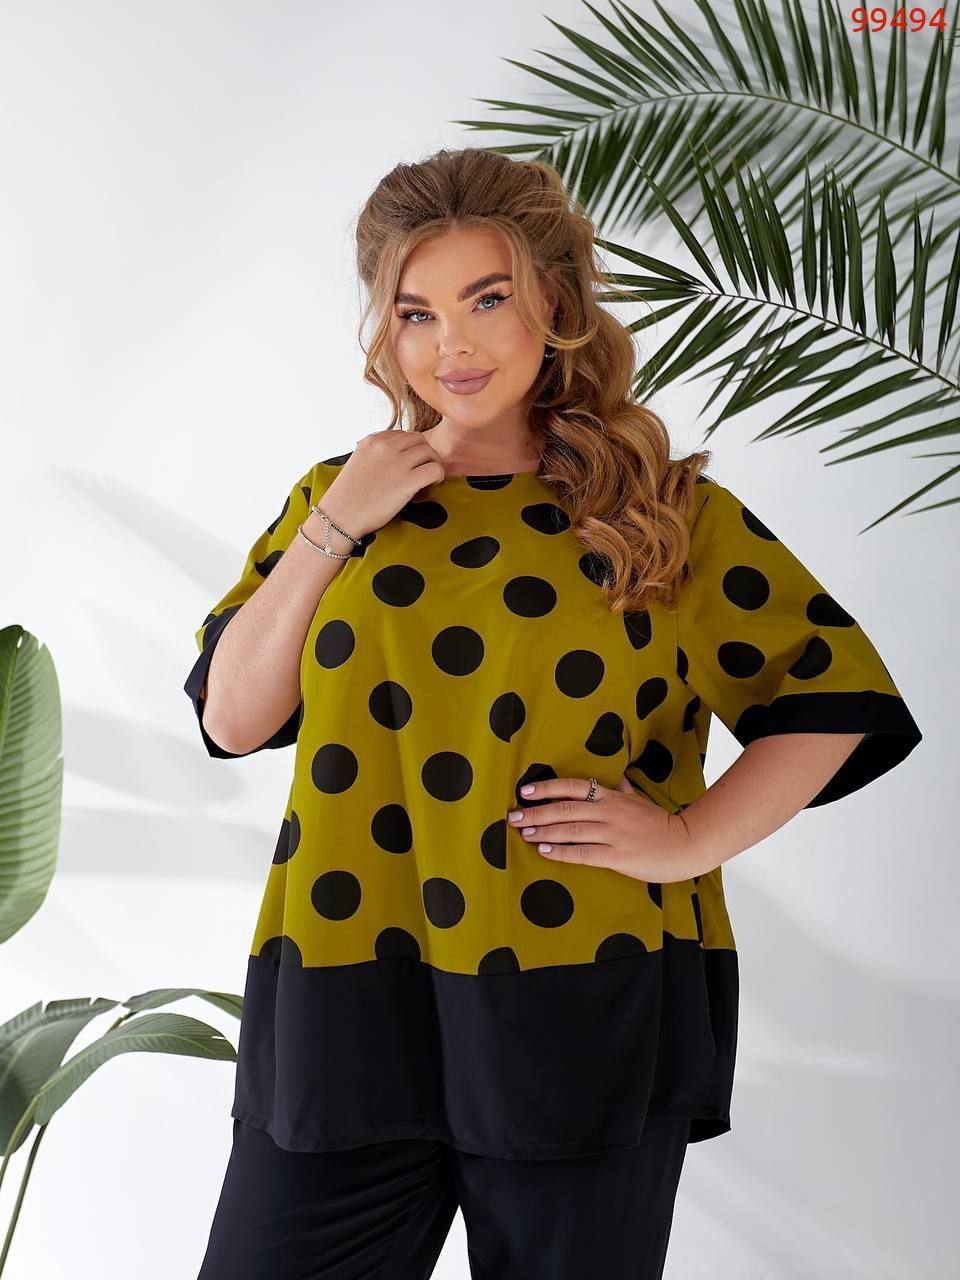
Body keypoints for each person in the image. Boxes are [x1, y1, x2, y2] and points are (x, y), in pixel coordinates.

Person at [185, 147, 922, 1279]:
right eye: (417, 312)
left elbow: (833, 694)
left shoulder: (663, 511)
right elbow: (233, 720)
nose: (454, 345)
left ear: (559, 302)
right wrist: (337, 524)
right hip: (346, 992)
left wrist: (689, 838)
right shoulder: (337, 496)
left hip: (582, 992)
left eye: (488, 300)